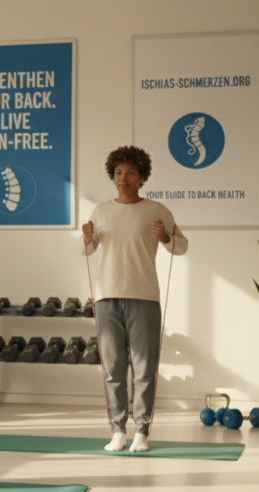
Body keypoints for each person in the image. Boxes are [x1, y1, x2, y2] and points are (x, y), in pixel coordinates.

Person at [79, 146, 188, 453]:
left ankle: (141, 431)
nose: (122, 178)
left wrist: (165, 237)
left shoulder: (157, 211)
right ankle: (118, 431)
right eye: (117, 173)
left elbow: (181, 247)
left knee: (144, 368)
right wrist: (86, 238)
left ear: (142, 177)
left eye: (129, 173)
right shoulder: (100, 211)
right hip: (106, 299)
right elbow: (87, 250)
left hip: (144, 297)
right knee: (113, 369)